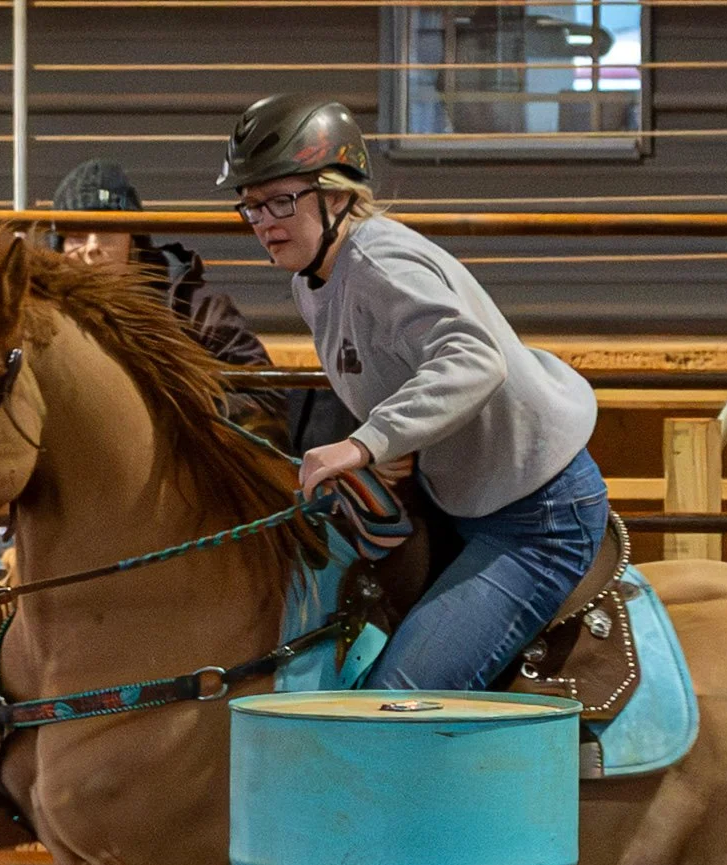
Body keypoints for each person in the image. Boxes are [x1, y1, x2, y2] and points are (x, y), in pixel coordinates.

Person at [218, 94, 609, 692]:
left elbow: (474, 360)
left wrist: (365, 444)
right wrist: (399, 446)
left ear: (339, 193)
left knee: (399, 698)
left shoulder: (377, 260)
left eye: (281, 200)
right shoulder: (314, 277)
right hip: (463, 495)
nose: (265, 222)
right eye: (251, 207)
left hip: (536, 517)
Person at [50, 158, 290, 446]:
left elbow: (266, 396)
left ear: (134, 241)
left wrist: (170, 411)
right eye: (76, 236)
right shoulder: (44, 317)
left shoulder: (191, 304)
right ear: (58, 248)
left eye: (106, 231)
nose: (92, 248)